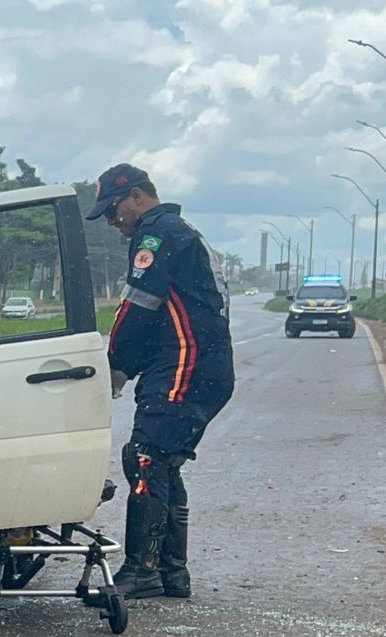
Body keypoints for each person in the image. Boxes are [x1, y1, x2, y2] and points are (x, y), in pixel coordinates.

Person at [87, 163, 235, 599]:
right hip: (199, 364)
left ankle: (143, 570)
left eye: (113, 211)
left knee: (145, 456)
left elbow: (137, 310)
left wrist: (114, 362)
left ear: (135, 196)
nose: (113, 222)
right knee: (163, 460)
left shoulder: (156, 235)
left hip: (186, 364)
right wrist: (130, 367)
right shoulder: (179, 230)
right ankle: (173, 572)